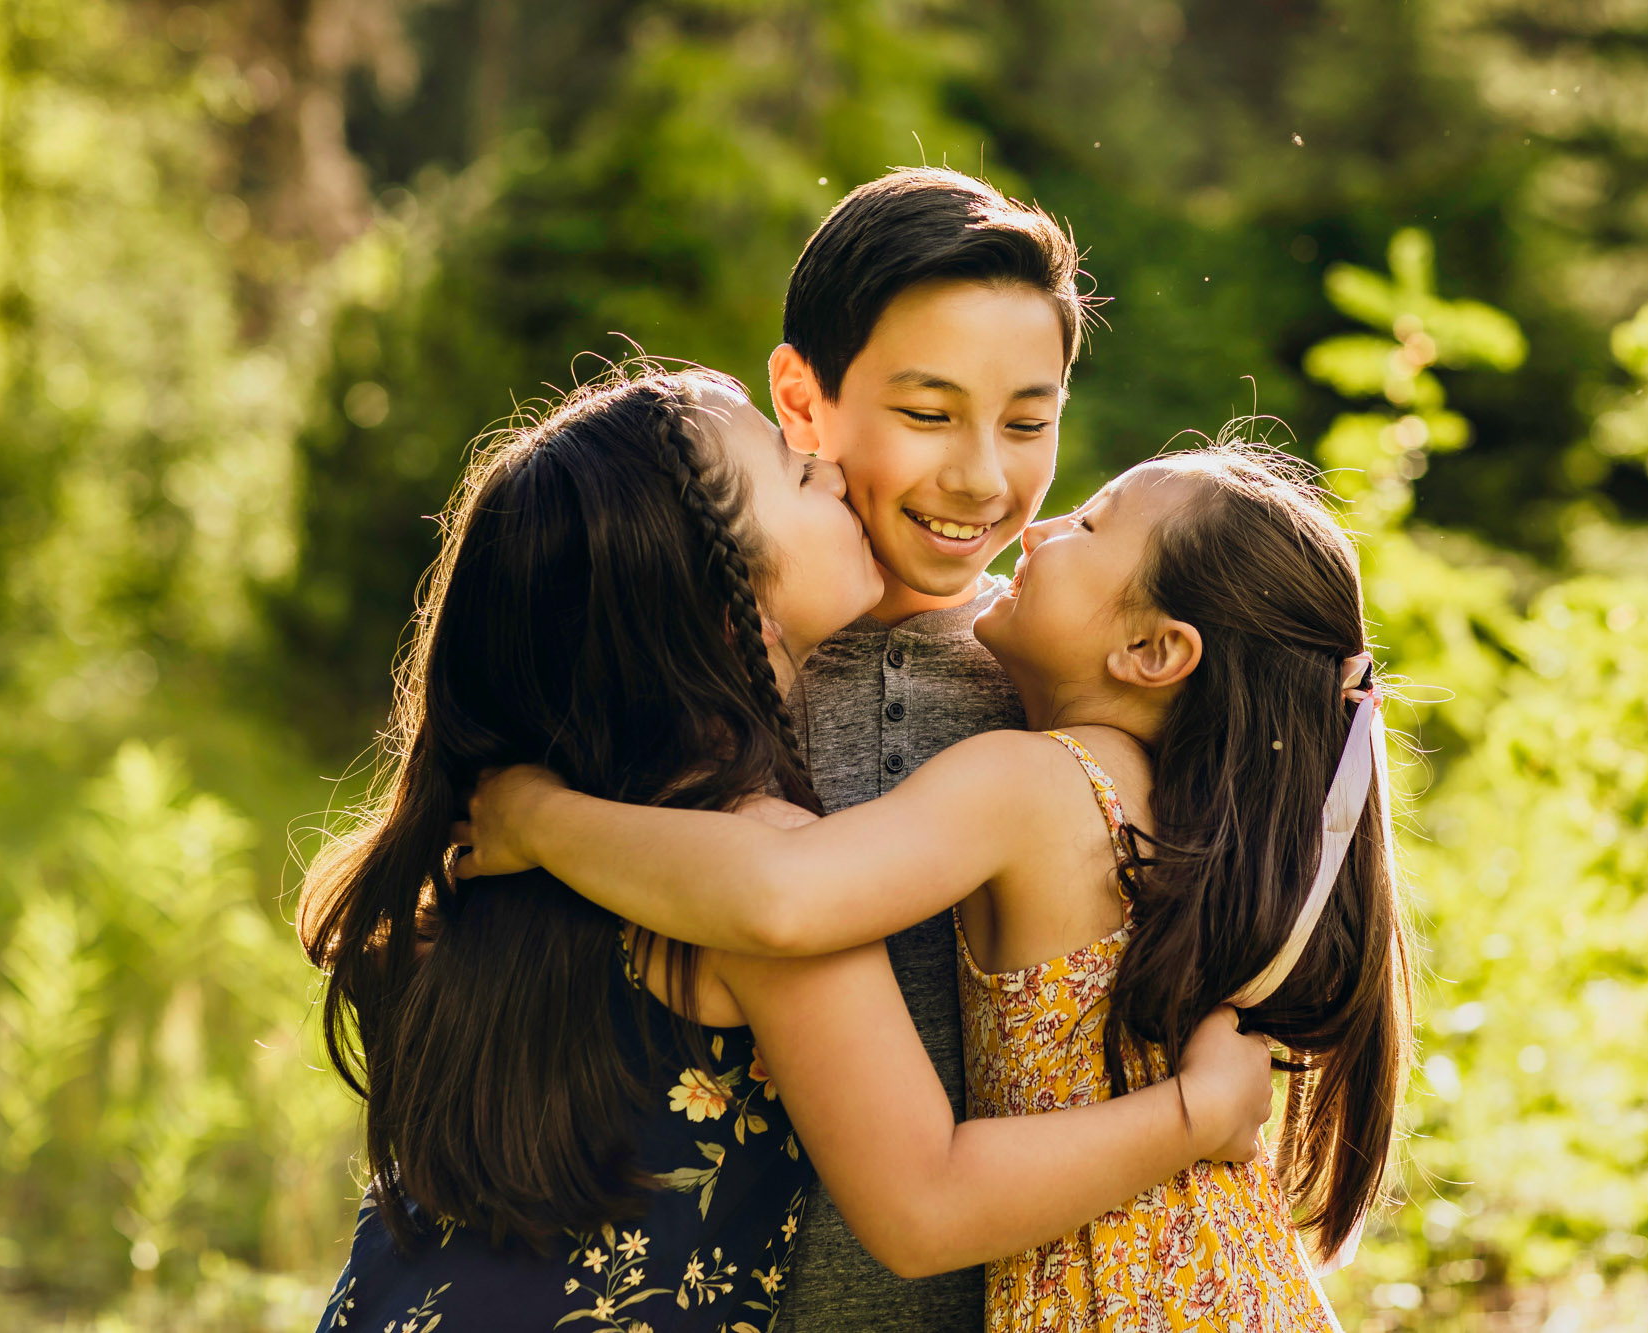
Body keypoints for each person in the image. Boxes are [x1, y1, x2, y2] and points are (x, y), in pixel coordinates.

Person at [300, 367, 1278, 1333]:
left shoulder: (501, 841)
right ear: (736, 612)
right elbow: (924, 1207)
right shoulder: (747, 870)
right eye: (794, 472)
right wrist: (1196, 1112)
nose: (827, 467)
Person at [460, 444, 1417, 1330]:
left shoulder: (1037, 782)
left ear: (1155, 652)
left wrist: (533, 820)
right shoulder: (1184, 818)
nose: (1038, 529)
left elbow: (786, 894)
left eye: (1087, 525)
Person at [760, 165, 1093, 1331]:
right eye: (925, 412)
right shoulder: (687, 665)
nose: (981, 478)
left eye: (1026, 421)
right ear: (802, 401)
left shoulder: (1057, 681)